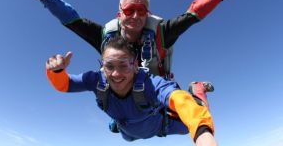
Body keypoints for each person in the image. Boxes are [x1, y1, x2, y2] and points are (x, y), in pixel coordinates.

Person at [11, 0, 242, 107]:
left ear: (148, 14)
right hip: (123, 95)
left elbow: (192, 15)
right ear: (119, 14)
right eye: (129, 10)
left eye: (141, 11)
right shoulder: (106, 35)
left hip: (157, 91)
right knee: (125, 132)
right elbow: (73, 21)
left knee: (193, 118)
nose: (135, 15)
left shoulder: (161, 33)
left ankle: (197, 89)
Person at [46, 36, 217, 146]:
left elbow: (180, 100)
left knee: (195, 119)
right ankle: (117, 125)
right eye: (109, 66)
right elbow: (65, 85)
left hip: (161, 126)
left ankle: (198, 89)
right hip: (129, 132)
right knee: (126, 137)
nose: (116, 74)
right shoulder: (96, 80)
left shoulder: (150, 84)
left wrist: (203, 136)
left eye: (124, 65)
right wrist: (57, 72)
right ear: (102, 66)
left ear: (135, 65)